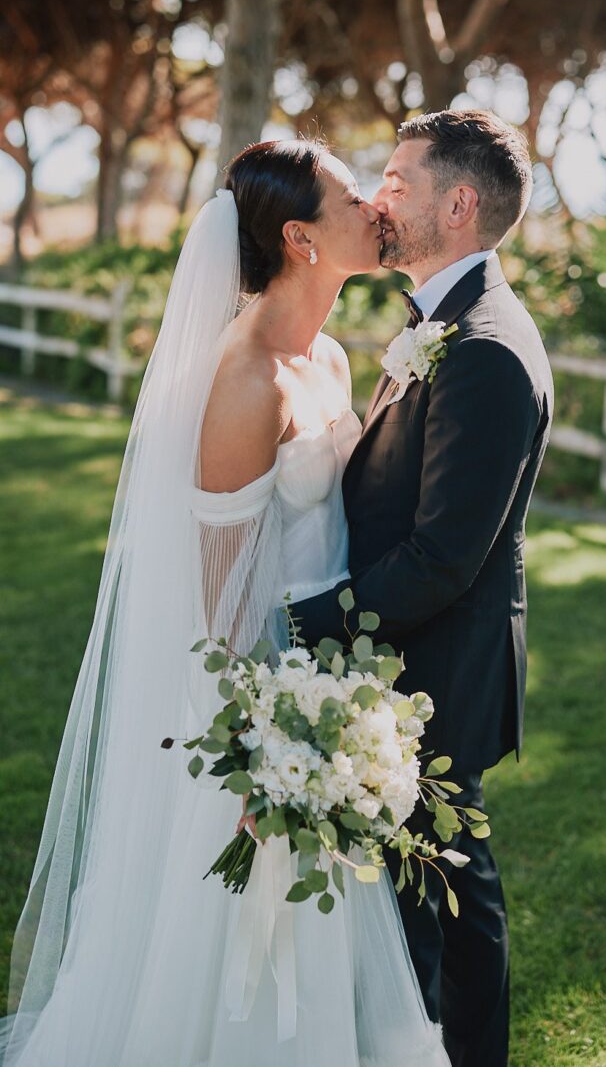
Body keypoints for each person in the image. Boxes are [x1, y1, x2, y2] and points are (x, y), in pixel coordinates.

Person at [0, 140, 449, 1067]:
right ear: (301, 239)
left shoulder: (328, 355)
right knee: (243, 922)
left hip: (329, 670)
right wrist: (267, 739)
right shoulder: (247, 378)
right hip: (262, 691)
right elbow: (220, 591)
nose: (373, 206)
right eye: (348, 196)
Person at [293, 109, 555, 1067]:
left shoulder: (484, 346)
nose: (379, 197)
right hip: (410, 655)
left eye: (399, 182)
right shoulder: (440, 323)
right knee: (424, 898)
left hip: (439, 668)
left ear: (459, 204)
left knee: (450, 900)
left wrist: (306, 624)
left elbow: (444, 555)